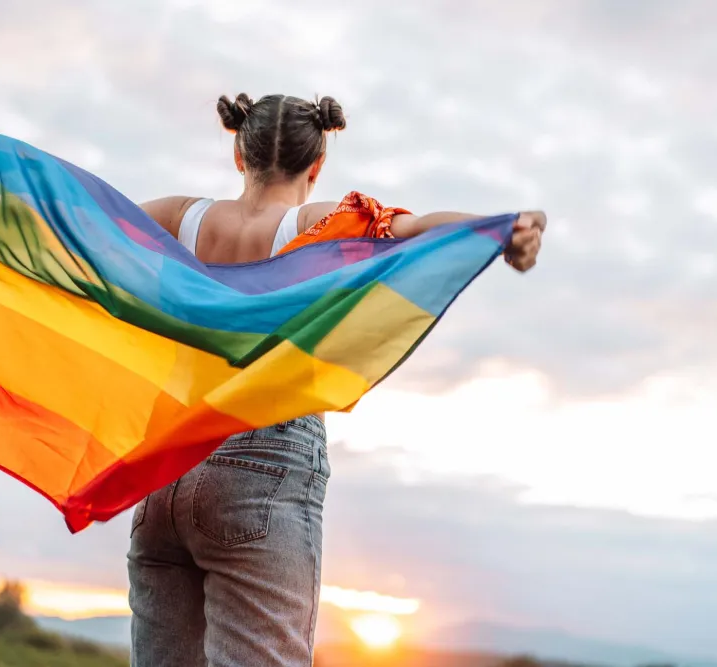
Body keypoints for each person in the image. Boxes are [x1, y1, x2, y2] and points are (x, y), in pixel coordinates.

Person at [127, 92, 546, 667]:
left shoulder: (179, 217)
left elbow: (78, 218)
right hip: (261, 472)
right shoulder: (324, 224)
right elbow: (420, 228)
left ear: (237, 152)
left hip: (163, 472)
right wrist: (503, 229)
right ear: (317, 162)